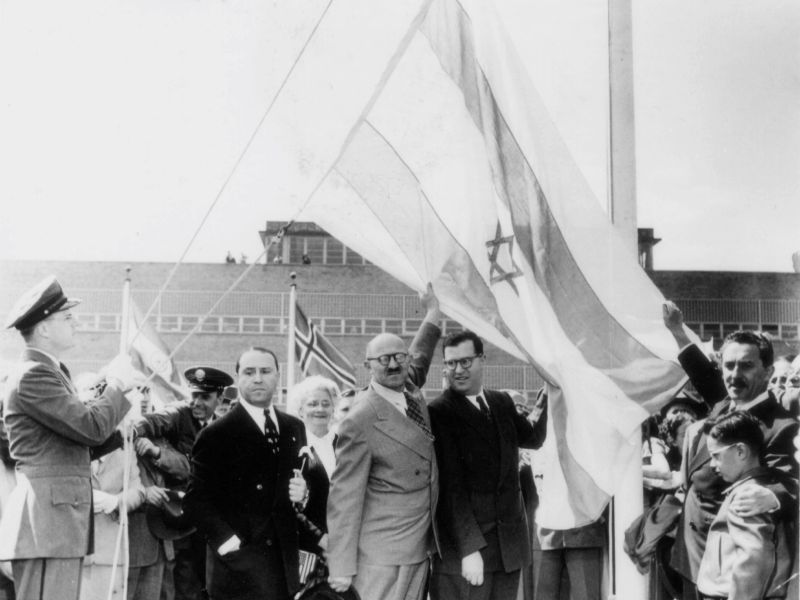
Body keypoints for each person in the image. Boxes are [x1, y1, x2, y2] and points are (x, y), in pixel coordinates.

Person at [0, 276, 140, 600]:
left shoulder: (50, 371)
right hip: (48, 520)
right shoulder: (35, 375)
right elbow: (89, 427)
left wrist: (117, 410)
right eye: (66, 317)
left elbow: (73, 442)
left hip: (56, 520)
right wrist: (117, 386)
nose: (75, 323)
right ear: (44, 329)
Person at [665, 324, 798, 600]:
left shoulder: (780, 425)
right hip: (691, 557)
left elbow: (789, 479)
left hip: (731, 566)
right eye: (729, 366)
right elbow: (702, 374)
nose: (734, 375)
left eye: (746, 366)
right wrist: (677, 330)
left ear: (768, 373)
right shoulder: (725, 403)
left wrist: (772, 497)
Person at [326, 288, 441, 600]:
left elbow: (421, 355)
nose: (393, 365)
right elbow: (344, 497)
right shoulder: (359, 419)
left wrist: (433, 312)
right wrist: (340, 564)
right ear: (368, 366)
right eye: (383, 360)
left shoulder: (410, 388)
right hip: (381, 557)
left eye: (399, 357)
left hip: (418, 547)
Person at [427, 331, 548, 600]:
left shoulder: (501, 402)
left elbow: (532, 437)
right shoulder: (439, 411)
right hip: (467, 553)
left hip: (508, 550)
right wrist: (469, 550)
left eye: (465, 362)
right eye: (450, 363)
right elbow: (450, 490)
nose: (457, 370)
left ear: (482, 359)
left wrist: (549, 395)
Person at [184, 348, 308, 600]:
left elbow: (298, 486)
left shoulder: (293, 427)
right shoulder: (217, 433)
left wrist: (304, 494)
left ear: (278, 376)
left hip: (284, 567)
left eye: (265, 371)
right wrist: (230, 546)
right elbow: (195, 500)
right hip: (237, 570)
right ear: (238, 378)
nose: (258, 378)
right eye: (249, 372)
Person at [133, 366, 234, 600]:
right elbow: (147, 423)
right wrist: (149, 443)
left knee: (207, 586)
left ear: (220, 398)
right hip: (178, 520)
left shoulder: (223, 428)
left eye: (205, 397)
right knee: (183, 586)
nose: (197, 402)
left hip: (210, 524)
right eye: (194, 395)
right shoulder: (178, 413)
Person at [697, 412, 794, 600]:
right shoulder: (756, 487)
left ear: (741, 451)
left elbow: (753, 561)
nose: (712, 465)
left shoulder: (748, 495)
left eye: (716, 456)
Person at [287, 376, 340, 555]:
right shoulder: (292, 449)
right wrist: (320, 538)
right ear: (300, 410)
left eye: (326, 403)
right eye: (312, 404)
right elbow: (287, 507)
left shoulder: (345, 445)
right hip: (308, 548)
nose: (320, 409)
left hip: (346, 542)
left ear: (334, 409)